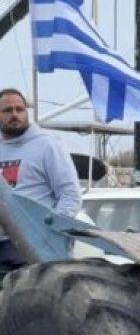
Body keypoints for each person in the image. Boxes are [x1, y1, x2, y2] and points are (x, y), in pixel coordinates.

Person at [0, 87, 82, 268]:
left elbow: (70, 194)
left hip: (35, 246)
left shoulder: (47, 144)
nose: (15, 115)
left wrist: (52, 233)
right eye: (7, 110)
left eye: (19, 109)